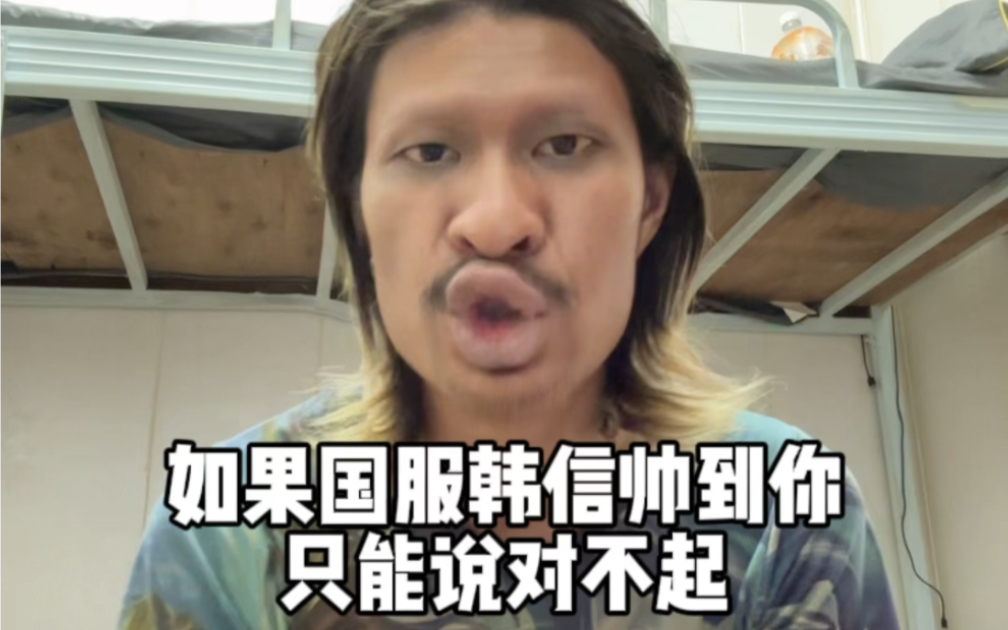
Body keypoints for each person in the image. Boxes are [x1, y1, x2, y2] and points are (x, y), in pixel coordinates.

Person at [118, 1, 900, 629]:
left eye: (564, 144)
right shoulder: (228, 533)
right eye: (430, 152)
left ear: (649, 203)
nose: (495, 223)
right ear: (357, 209)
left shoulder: (785, 514)